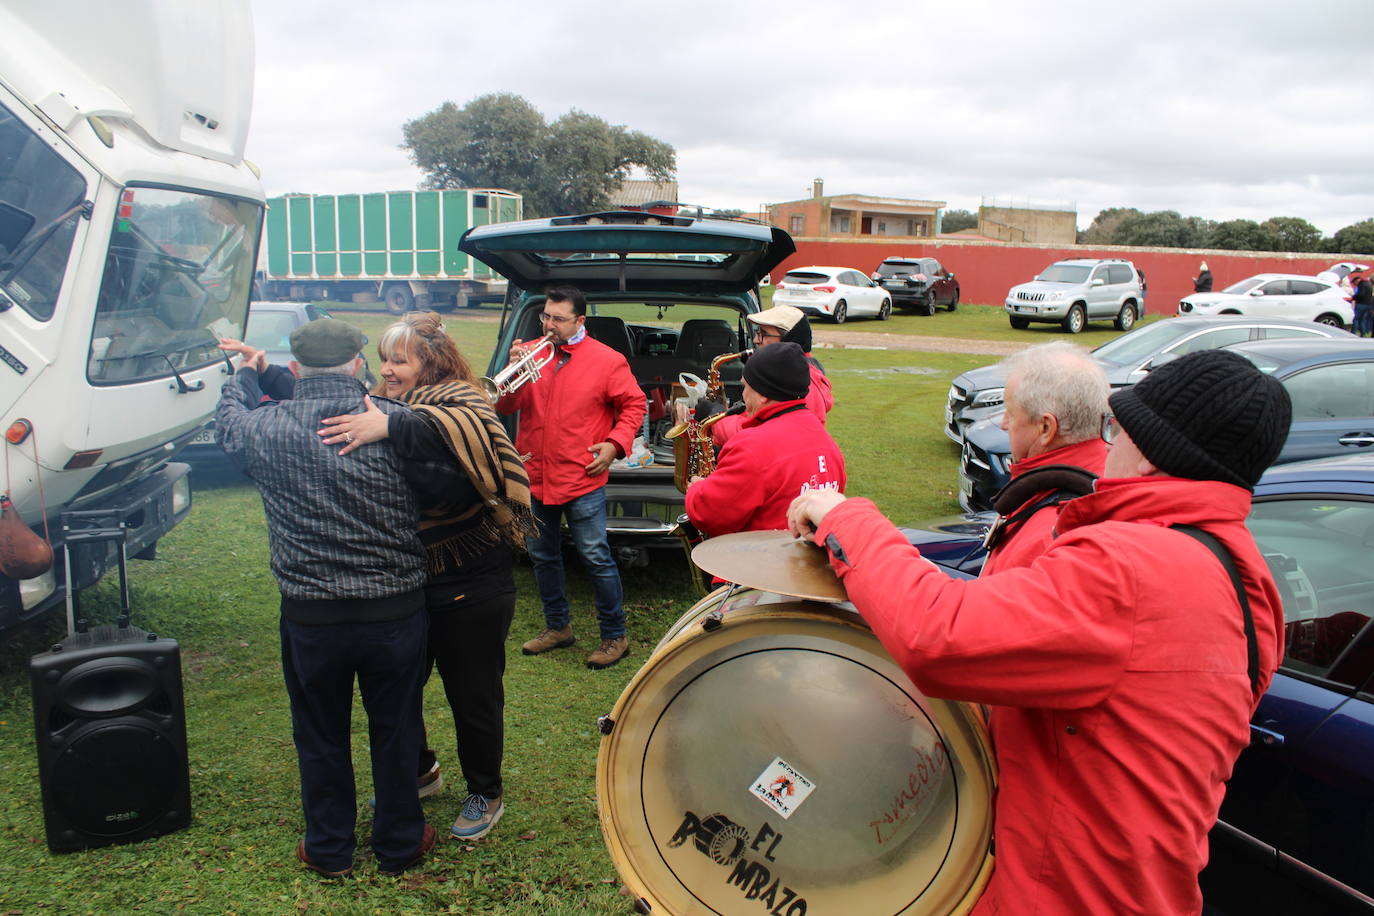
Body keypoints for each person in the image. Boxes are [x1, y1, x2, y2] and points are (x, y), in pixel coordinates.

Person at [788, 349, 1292, 914]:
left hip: (1062, 896)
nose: (1108, 448)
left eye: (1118, 428)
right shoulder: (1247, 582)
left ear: (1151, 455)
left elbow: (938, 636)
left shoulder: (1129, 566)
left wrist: (846, 517)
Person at [215, 319, 436, 878]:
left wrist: (242, 375)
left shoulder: (264, 430)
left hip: (313, 617)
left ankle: (330, 848)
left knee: (319, 733)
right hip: (394, 610)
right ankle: (400, 842)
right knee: (397, 727)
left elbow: (228, 425)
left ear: (295, 371)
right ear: (359, 366)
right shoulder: (398, 424)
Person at [312, 312, 534, 842]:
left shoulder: (461, 401)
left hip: (471, 579)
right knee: (397, 689)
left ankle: (485, 790)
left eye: (400, 361)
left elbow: (462, 452)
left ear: (430, 363)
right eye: (384, 359)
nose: (387, 371)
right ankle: (421, 771)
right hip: (406, 577)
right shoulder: (390, 404)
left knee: (472, 693)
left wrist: (391, 427)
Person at [495, 285, 646, 669]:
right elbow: (506, 404)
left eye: (558, 319)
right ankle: (557, 627)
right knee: (542, 555)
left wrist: (614, 444)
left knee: (595, 557)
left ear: (580, 320)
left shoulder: (606, 360)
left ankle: (615, 636)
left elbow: (634, 404)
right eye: (545, 316)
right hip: (536, 475)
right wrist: (513, 374)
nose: (549, 325)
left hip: (581, 477)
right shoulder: (531, 353)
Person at [684, 342, 845, 536]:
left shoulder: (752, 446)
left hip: (762, 560)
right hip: (809, 559)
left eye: (745, 387)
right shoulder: (827, 443)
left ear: (762, 396)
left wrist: (697, 488)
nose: (743, 396)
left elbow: (707, 514)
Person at [981, 341, 1109, 573]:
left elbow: (997, 607)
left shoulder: (1049, 536)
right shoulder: (1108, 478)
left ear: (1046, 428)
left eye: (1010, 413)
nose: (1004, 424)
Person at [704, 305, 833, 447]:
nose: (755, 340)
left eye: (763, 334)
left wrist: (715, 418)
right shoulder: (793, 374)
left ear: (788, 340)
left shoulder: (801, 383)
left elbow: (753, 434)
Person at [1351, 272, 1372, 338]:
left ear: (1357, 281)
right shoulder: (1369, 284)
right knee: (1362, 320)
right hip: (1368, 305)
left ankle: (1353, 333)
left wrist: (1354, 297)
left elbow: (1361, 294)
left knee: (1356, 319)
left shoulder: (1361, 285)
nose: (1355, 285)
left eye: (1354, 283)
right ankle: (1363, 333)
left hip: (1361, 304)